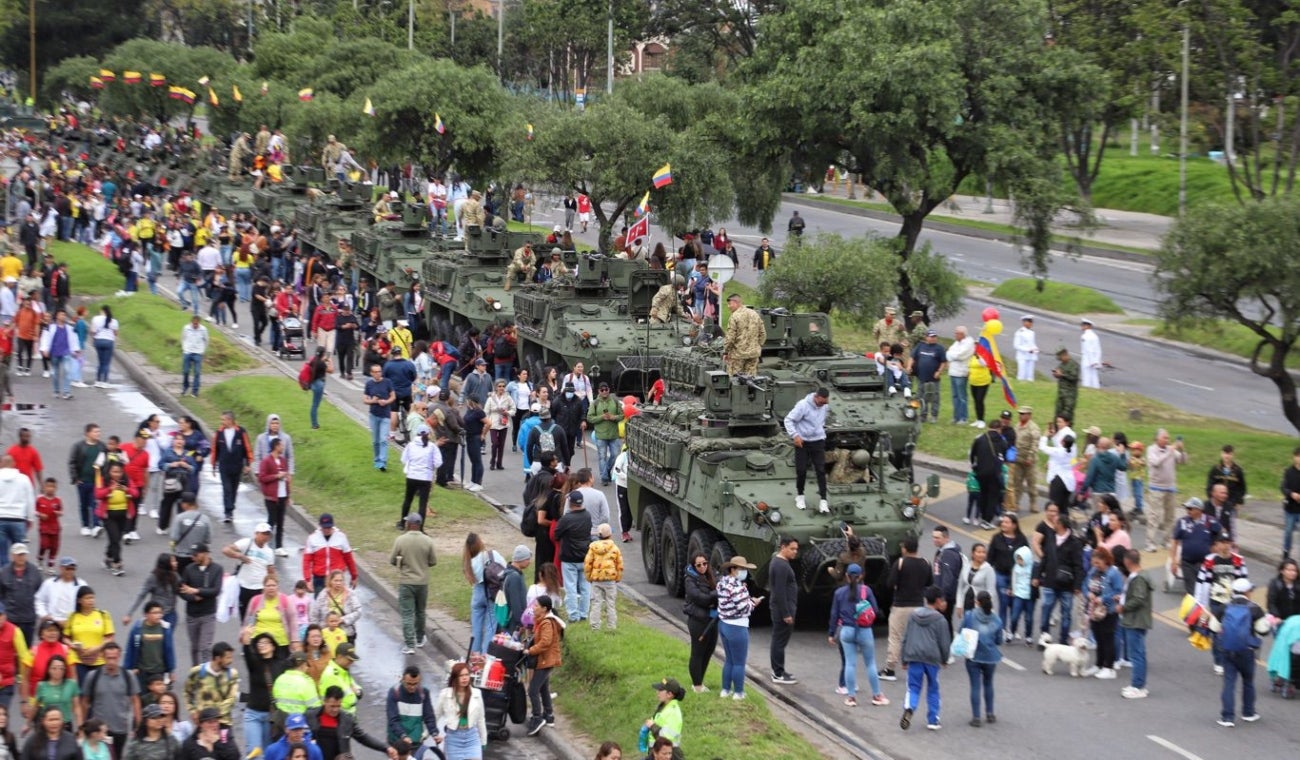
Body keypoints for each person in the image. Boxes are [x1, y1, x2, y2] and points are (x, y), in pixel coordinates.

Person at [828, 563, 887, 708]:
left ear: (847, 576)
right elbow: (875, 609)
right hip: (864, 630)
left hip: (846, 631)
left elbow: (834, 614)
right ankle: (877, 695)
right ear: (861, 576)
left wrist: (831, 633)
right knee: (870, 663)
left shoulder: (839, 593)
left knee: (850, 664)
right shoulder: (866, 591)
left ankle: (851, 697)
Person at [1217, 578, 1270, 726]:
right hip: (1247, 651)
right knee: (1248, 682)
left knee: (1229, 683)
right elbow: (1263, 630)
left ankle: (1227, 717)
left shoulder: (1224, 607)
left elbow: (1213, 627)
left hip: (1228, 650)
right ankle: (1248, 712)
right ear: (1247, 592)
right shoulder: (1255, 609)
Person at [899, 586, 952, 731]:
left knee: (913, 687)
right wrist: (944, 658)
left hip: (914, 656)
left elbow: (906, 637)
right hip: (932, 658)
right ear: (937, 601)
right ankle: (933, 720)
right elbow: (944, 642)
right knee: (933, 688)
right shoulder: (940, 620)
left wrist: (904, 658)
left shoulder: (913, 616)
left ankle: (910, 707)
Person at [390, 514, 438, 655]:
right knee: (420, 612)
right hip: (422, 582)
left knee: (407, 614)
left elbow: (392, 559)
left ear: (409, 524)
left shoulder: (400, 540)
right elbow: (433, 561)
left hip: (406, 582)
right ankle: (419, 638)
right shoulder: (428, 541)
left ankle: (410, 645)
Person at [716, 555, 761, 700]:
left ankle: (725, 690)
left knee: (729, 660)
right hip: (737, 626)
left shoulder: (722, 583)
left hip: (724, 624)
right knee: (739, 663)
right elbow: (745, 609)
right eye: (742, 569)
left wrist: (744, 594)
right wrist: (753, 602)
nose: (744, 572)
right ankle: (739, 692)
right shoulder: (738, 587)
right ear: (733, 569)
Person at [80, 643, 139, 753]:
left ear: (119, 656)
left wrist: (138, 726)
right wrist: (83, 726)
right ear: (103, 656)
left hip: (120, 729)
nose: (111, 661)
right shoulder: (93, 676)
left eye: (114, 658)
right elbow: (85, 702)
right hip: (97, 730)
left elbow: (135, 701)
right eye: (108, 658)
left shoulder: (128, 676)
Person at [304, 684, 387, 760]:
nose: (335, 710)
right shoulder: (310, 716)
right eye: (332, 706)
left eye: (338, 706)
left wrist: (385, 748)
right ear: (324, 701)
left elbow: (363, 737)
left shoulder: (347, 720)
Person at [1036, 516, 1084, 647]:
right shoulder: (1050, 538)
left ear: (1061, 525)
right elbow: (1045, 558)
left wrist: (1077, 585)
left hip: (1066, 585)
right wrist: (1037, 575)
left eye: (1056, 522)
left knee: (1066, 614)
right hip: (1050, 582)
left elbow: (1078, 566)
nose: (1053, 524)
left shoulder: (1074, 542)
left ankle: (1063, 640)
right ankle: (1044, 637)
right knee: (1046, 610)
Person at [523, 595, 564, 736]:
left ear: (544, 609)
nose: (533, 608)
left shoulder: (546, 623)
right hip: (544, 660)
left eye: (536, 605)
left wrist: (530, 650)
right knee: (543, 688)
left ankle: (537, 717)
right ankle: (549, 715)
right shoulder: (541, 621)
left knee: (533, 690)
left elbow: (546, 642)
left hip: (546, 661)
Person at [961, 590, 1003, 727]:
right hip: (991, 657)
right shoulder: (997, 620)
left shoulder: (969, 616)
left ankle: (976, 717)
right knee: (988, 683)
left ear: (977, 602)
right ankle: (990, 713)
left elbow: (962, 632)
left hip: (973, 656)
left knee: (975, 685)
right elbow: (999, 640)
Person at [785, 389, 830, 514]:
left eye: (825, 403)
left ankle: (823, 500)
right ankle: (800, 496)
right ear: (816, 397)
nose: (823, 405)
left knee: (821, 470)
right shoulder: (803, 405)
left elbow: (822, 420)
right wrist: (795, 435)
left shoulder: (825, 406)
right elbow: (788, 420)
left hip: (818, 441)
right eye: (821, 402)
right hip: (802, 442)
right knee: (801, 470)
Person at [177, 544, 221, 668]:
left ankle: (205, 673)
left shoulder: (217, 569)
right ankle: (195, 671)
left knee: (205, 647)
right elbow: (181, 589)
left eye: (195, 554)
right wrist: (193, 597)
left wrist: (196, 591)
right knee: (194, 647)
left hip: (208, 614)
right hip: (192, 614)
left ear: (205, 554)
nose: (193, 557)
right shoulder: (189, 569)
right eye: (192, 554)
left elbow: (216, 590)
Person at [242, 633, 285, 754]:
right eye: (259, 643)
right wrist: (246, 643)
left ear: (273, 646)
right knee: (254, 751)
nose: (262, 645)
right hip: (253, 714)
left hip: (271, 716)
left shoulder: (281, 664)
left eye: (265, 642)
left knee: (269, 752)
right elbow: (248, 655)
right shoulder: (254, 663)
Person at [553, 493, 593, 624]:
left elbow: (556, 534)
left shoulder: (566, 519)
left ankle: (573, 615)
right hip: (584, 555)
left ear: (570, 503)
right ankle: (584, 614)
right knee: (585, 587)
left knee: (570, 587)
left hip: (569, 557)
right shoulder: (587, 516)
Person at [1118, 551, 1153, 699]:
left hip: (1135, 620)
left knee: (1136, 654)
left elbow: (1139, 598)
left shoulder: (1138, 578)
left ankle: (1137, 686)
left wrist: (1124, 607)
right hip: (1136, 619)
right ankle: (1138, 684)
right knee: (1139, 653)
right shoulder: (1138, 576)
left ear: (1127, 561)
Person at [433, 663, 487, 760]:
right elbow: (435, 716)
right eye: (461, 675)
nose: (465, 678)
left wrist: (483, 741)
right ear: (455, 678)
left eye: (466, 675)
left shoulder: (477, 694)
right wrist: (427, 734)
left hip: (472, 738)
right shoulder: (445, 694)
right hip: (453, 739)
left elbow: (481, 719)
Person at [222, 524, 276, 619]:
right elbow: (226, 550)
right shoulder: (246, 543)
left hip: (259, 588)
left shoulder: (269, 551)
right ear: (256, 533)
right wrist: (239, 556)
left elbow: (270, 571)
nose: (265, 537)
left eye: (268, 534)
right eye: (263, 534)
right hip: (243, 586)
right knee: (244, 616)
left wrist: (273, 586)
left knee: (259, 616)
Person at [1171, 498, 1222, 597]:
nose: (1187, 511)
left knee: (1205, 589)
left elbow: (1222, 534)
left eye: (1190, 508)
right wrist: (1174, 561)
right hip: (1187, 563)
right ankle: (1193, 609)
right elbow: (1174, 541)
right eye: (1187, 508)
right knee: (1192, 592)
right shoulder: (1182, 522)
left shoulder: (1210, 521)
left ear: (1199, 509)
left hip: (1204, 563)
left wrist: (1215, 546)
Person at [682, 553, 718, 694]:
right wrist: (714, 596)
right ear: (693, 566)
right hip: (698, 621)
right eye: (699, 565)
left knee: (709, 651)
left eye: (705, 563)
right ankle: (696, 685)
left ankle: (700, 681)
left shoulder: (712, 575)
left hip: (712, 620)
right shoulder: (690, 580)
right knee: (697, 652)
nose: (702, 567)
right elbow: (699, 598)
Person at [183, 642, 238, 730]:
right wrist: (193, 711)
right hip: (203, 723)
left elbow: (232, 698)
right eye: (228, 658)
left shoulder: (232, 674)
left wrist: (214, 715)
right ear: (218, 658)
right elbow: (187, 692)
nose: (231, 661)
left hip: (224, 723)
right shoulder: (197, 672)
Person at [210, 413, 251, 524]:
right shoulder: (219, 433)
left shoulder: (241, 432)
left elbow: (247, 448)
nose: (221, 422)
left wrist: (248, 464)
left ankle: (231, 507)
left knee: (233, 489)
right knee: (226, 489)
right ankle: (228, 512)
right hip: (224, 466)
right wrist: (213, 465)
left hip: (237, 466)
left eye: (223, 420)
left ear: (230, 420)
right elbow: (214, 450)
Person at [122, 602, 175, 687]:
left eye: (160, 613)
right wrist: (128, 669)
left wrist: (171, 671)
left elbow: (169, 650)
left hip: (159, 671)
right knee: (142, 697)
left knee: (158, 697)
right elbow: (131, 649)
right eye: (155, 613)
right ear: (146, 614)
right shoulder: (137, 629)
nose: (159, 615)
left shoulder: (165, 628)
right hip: (141, 671)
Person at [0, 543, 43, 645]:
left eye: (23, 554)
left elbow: (40, 593)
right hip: (10, 619)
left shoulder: (34, 571)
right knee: (9, 648)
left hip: (29, 619)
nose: (21, 557)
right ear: (12, 556)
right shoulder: (4, 572)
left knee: (27, 648)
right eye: (18, 554)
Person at [399, 426, 441, 528]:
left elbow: (403, 460)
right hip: (425, 477)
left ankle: (402, 523)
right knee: (422, 503)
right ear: (428, 434)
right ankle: (420, 527)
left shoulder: (410, 445)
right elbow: (438, 462)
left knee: (408, 499)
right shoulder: (432, 447)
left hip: (412, 476)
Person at [583, 524, 622, 632]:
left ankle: (595, 626)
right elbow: (619, 565)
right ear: (610, 535)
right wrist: (617, 578)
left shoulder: (593, 547)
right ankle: (611, 626)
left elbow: (588, 564)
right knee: (610, 603)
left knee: (596, 602)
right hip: (610, 580)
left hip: (596, 579)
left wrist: (589, 577)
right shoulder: (614, 548)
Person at [256, 438, 291, 556]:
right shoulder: (266, 461)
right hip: (271, 497)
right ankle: (265, 543)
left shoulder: (283, 460)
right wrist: (276, 476)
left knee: (281, 522)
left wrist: (288, 495)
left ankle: (279, 546)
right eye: (281, 445)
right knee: (272, 521)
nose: (282, 447)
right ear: (276, 446)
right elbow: (262, 478)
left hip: (282, 495)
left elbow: (286, 479)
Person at [363, 364, 396, 471]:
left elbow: (393, 396)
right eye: (375, 372)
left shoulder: (387, 382)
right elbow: (365, 400)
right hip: (374, 415)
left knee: (383, 440)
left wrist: (386, 401)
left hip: (385, 414)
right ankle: (377, 460)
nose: (378, 374)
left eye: (379, 371)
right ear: (371, 373)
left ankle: (383, 462)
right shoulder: (369, 384)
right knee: (375, 441)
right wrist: (373, 401)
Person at [722, 294, 765, 376]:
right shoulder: (755, 314)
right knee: (751, 381)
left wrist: (726, 352)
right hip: (753, 354)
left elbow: (730, 338)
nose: (728, 306)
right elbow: (762, 334)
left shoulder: (734, 316)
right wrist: (758, 346)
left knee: (735, 382)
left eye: (730, 304)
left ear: (736, 302)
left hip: (737, 356)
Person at [88, 306, 118, 388]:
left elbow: (92, 331)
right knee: (106, 363)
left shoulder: (96, 319)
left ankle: (98, 380)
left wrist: (93, 339)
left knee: (100, 362)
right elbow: (115, 333)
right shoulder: (114, 321)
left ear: (102, 311)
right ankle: (105, 381)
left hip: (98, 341)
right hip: (109, 342)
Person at [1051, 347, 1079, 424]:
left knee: (1067, 414)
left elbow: (1074, 377)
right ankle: (1056, 431)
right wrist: (1056, 374)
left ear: (1065, 355)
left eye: (1060, 357)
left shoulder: (1074, 365)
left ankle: (1068, 432)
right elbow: (1059, 373)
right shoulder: (1061, 365)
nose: (1059, 360)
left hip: (1070, 395)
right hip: (1061, 394)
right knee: (1058, 413)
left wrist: (1062, 375)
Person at [1283, 447, 1300, 559]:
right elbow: (1283, 487)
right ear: (1294, 457)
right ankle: (1286, 552)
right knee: (1288, 532)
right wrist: (1291, 494)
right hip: (1290, 508)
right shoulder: (1288, 472)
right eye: (1297, 456)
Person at [1079, 319, 1102, 388]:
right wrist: (1096, 361)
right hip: (1094, 359)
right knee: (1094, 376)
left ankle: (1086, 390)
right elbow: (1098, 350)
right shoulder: (1095, 336)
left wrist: (1091, 361)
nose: (1081, 326)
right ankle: (1096, 389)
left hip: (1087, 359)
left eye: (1083, 325)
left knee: (1086, 377)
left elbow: (1088, 349)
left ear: (1088, 326)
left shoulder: (1084, 336)